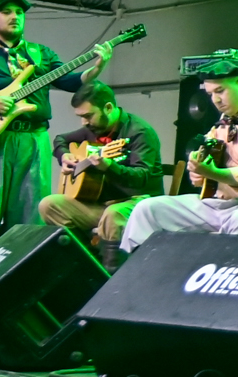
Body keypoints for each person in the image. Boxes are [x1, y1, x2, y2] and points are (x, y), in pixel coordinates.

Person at [0, 0, 113, 252]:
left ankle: (21, 269)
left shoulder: (40, 53)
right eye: (7, 12)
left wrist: (96, 69)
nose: (15, 17)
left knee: (30, 215)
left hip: (33, 138)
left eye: (19, 12)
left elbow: (67, 81)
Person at [119, 58, 238, 253]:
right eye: (210, 94)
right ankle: (137, 268)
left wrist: (213, 173)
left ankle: (228, 271)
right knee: (148, 209)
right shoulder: (223, 123)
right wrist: (198, 173)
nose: (215, 100)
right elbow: (203, 175)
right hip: (219, 204)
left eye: (220, 91)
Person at [39, 82, 165, 264]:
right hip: (101, 204)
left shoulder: (140, 132)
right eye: (81, 117)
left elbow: (141, 177)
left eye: (88, 116)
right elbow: (61, 140)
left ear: (108, 108)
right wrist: (65, 156)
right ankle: (85, 261)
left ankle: (110, 271)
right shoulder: (93, 129)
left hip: (136, 203)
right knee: (49, 204)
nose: (84, 123)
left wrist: (109, 167)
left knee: (113, 214)